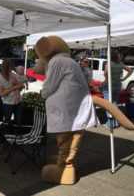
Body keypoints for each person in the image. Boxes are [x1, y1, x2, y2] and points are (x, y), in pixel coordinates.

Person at [34, 36, 99, 184]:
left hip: (65, 109)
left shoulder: (57, 61)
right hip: (75, 107)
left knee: (64, 137)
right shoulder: (70, 61)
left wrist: (43, 94)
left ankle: (64, 165)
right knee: (73, 135)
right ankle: (66, 159)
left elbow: (50, 85)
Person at [0, 59, 25, 152]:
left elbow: (19, 85)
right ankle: (4, 143)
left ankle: (16, 141)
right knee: (7, 122)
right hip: (7, 102)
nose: (11, 70)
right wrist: (14, 88)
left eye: (12, 68)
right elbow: (2, 94)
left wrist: (20, 86)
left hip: (18, 100)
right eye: (10, 68)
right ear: (5, 68)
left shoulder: (12, 74)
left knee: (18, 121)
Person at [103, 51, 133, 128]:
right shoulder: (120, 64)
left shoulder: (108, 63)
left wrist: (106, 80)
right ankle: (115, 123)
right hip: (117, 85)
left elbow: (106, 72)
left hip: (109, 85)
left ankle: (110, 124)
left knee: (108, 104)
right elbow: (130, 70)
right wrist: (124, 79)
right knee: (115, 104)